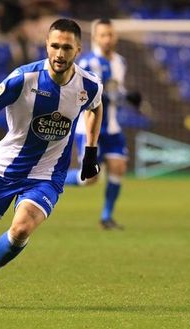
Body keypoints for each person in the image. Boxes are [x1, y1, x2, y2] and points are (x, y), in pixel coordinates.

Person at [0, 18, 103, 309]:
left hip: (47, 174)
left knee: (22, 229)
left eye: (66, 47)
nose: (59, 54)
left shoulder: (89, 85)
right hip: (5, 168)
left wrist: (90, 151)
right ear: (46, 46)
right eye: (54, 46)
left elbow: (95, 108)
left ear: (78, 49)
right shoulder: (23, 78)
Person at [65, 18, 142, 230]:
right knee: (90, 179)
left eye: (110, 34)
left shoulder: (121, 62)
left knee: (119, 167)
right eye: (103, 35)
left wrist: (129, 96)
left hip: (113, 127)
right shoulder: (86, 64)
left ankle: (106, 217)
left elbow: (116, 90)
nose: (107, 39)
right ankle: (57, 178)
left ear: (115, 36)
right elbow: (81, 95)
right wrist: (105, 96)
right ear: (95, 38)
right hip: (90, 128)